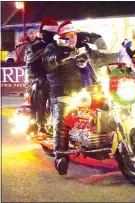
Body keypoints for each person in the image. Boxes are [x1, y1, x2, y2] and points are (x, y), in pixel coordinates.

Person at [43, 20, 89, 175]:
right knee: (62, 121)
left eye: (74, 35)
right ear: (62, 36)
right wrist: (59, 58)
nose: (73, 38)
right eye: (69, 35)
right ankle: (61, 156)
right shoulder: (53, 48)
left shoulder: (80, 50)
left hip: (81, 91)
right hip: (61, 91)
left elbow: (95, 63)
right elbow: (49, 61)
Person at [26, 18, 59, 134]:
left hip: (56, 79)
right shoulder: (35, 47)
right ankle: (40, 124)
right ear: (43, 33)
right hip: (40, 79)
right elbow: (31, 67)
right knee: (39, 91)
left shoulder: (59, 47)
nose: (52, 36)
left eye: (54, 34)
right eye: (50, 34)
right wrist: (41, 78)